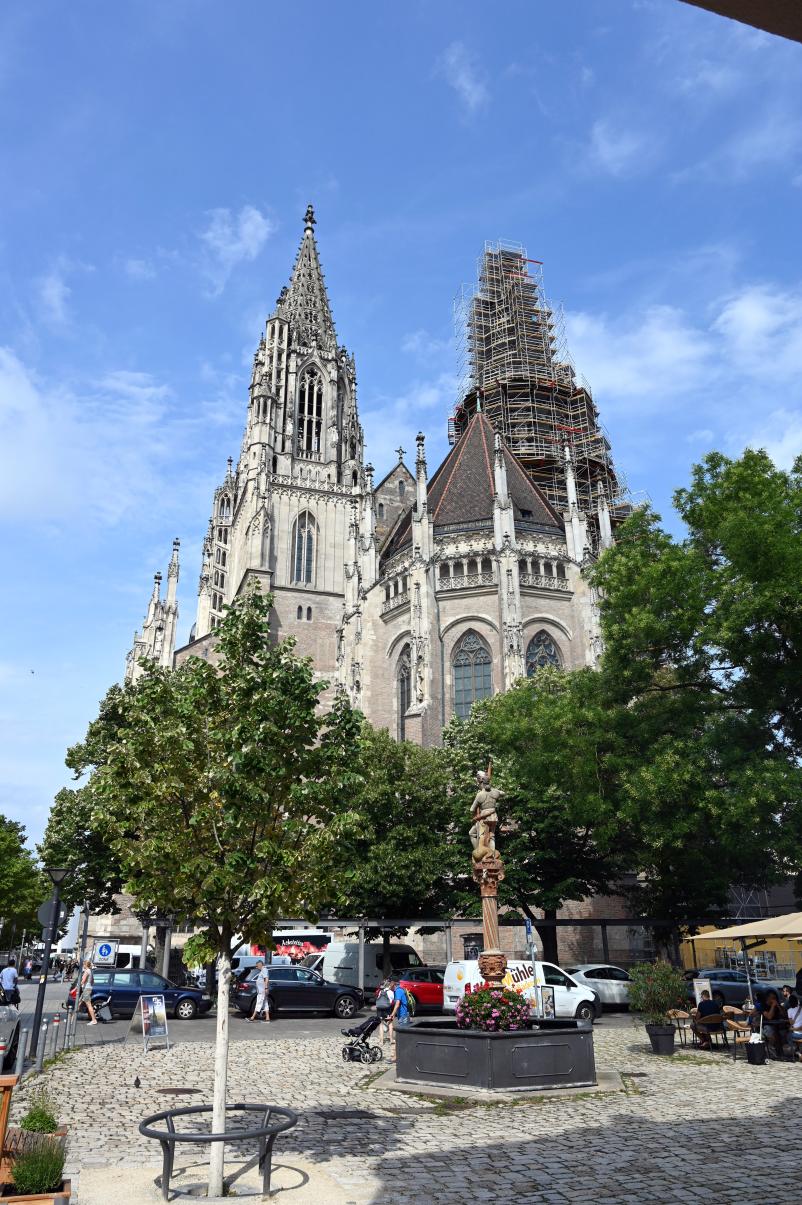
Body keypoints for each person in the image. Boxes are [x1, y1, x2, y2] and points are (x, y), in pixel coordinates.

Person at [389, 977, 410, 1056]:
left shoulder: (398, 991)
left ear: (393, 983)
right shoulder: (398, 990)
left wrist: (392, 1014)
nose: (389, 984)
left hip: (403, 1016)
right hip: (402, 1016)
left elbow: (397, 1004)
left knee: (401, 1037)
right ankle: (401, 1055)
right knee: (402, 1037)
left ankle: (398, 1056)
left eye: (389, 983)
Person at [248, 959, 270, 1023]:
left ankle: (252, 1017)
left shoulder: (264, 970)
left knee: (258, 1003)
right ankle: (267, 1018)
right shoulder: (263, 970)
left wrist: (266, 988)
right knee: (265, 1003)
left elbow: (266, 979)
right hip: (262, 990)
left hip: (262, 991)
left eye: (257, 966)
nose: (257, 967)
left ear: (260, 965)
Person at [78, 958, 98, 1026]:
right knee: (78, 1003)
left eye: (83, 964)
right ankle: (71, 1019)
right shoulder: (91, 971)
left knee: (89, 1005)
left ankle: (94, 1020)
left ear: (85, 965)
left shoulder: (87, 971)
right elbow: (93, 981)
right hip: (88, 989)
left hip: (86, 990)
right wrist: (89, 986)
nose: (83, 965)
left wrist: (78, 986)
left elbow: (83, 981)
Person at [375, 977, 394, 1045]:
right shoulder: (391, 992)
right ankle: (391, 1039)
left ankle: (381, 1041)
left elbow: (378, 998)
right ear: (389, 985)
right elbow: (392, 1001)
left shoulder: (380, 991)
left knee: (381, 1024)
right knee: (390, 1023)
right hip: (387, 1009)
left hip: (380, 1009)